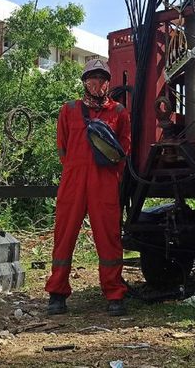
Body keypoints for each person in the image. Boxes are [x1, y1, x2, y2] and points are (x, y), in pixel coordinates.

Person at [45, 59, 131, 316]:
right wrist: (76, 167)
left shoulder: (119, 112)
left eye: (102, 78)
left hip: (104, 182)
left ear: (108, 83)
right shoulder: (68, 110)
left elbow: (124, 150)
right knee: (64, 235)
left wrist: (106, 174)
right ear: (84, 82)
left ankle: (114, 294)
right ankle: (57, 294)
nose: (97, 83)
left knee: (109, 239)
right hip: (73, 181)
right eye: (92, 78)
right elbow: (62, 148)